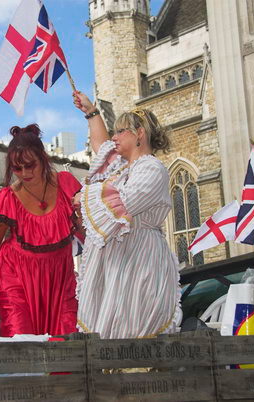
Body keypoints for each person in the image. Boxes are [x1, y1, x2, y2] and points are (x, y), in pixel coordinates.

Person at [72, 90, 181, 339]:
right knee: (113, 332)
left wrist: (85, 197)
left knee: (134, 329)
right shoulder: (123, 168)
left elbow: (124, 203)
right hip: (121, 261)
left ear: (139, 133)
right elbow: (101, 147)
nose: (115, 136)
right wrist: (91, 112)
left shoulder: (152, 168)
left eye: (121, 131)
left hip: (139, 260)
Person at [0, 124, 81, 337]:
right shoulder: (7, 198)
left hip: (59, 277)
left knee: (67, 339)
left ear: (43, 158)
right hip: (14, 275)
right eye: (17, 168)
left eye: (30, 165)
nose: (25, 173)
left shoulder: (66, 184)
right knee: (22, 339)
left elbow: (86, 230)